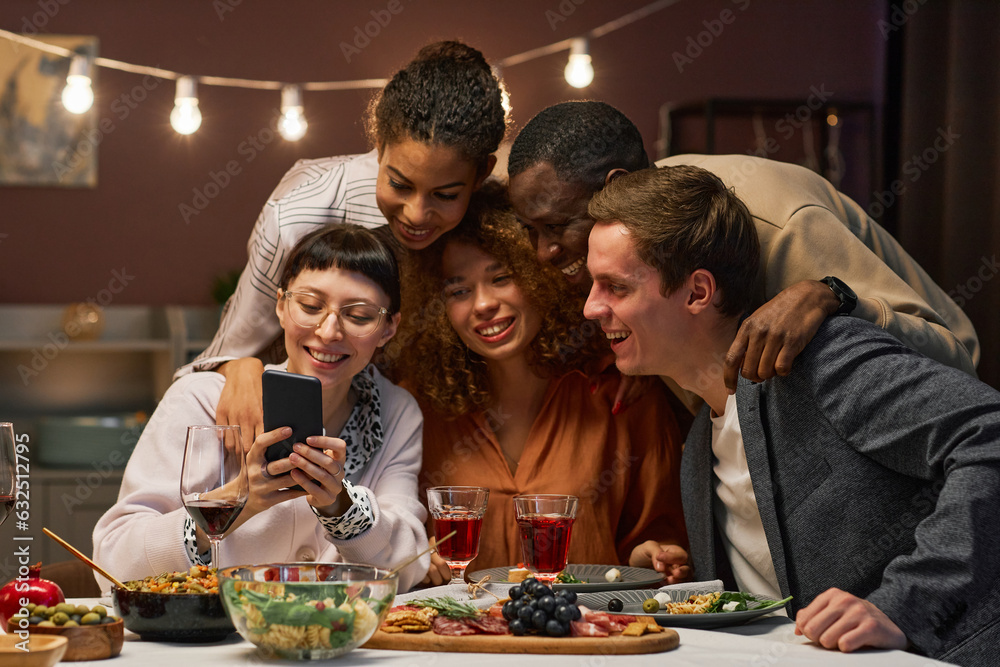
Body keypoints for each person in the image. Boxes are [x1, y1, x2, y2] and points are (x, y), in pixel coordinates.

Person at [583, 165, 1000, 664]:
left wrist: (902, 605)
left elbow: (990, 434)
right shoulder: (697, 447)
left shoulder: (822, 362)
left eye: (616, 287)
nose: (591, 307)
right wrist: (686, 576)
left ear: (697, 292)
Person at [507, 101, 980, 394]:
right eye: (531, 230)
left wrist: (831, 295)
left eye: (556, 226)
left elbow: (953, 363)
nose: (544, 251)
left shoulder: (772, 224)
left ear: (619, 183)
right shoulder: (628, 231)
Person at [178, 40, 507, 451]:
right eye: (400, 185)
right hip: (308, 435)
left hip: (434, 433)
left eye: (445, 195)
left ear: (481, 176)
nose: (417, 214)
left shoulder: (496, 212)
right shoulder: (297, 214)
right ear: (379, 145)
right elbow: (227, 351)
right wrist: (240, 368)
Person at [94, 224, 428, 593]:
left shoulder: (397, 413)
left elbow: (411, 565)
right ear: (282, 306)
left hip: (334, 642)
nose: (330, 331)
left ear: (388, 327)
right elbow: (113, 564)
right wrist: (237, 501)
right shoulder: (201, 399)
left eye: (360, 316)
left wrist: (340, 506)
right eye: (311, 306)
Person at [387, 185, 689, 585]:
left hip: (587, 632)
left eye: (502, 277)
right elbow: (389, 539)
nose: (482, 304)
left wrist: (652, 556)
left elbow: (654, 536)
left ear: (539, 279)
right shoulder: (413, 410)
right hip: (458, 637)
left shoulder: (622, 393)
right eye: (458, 290)